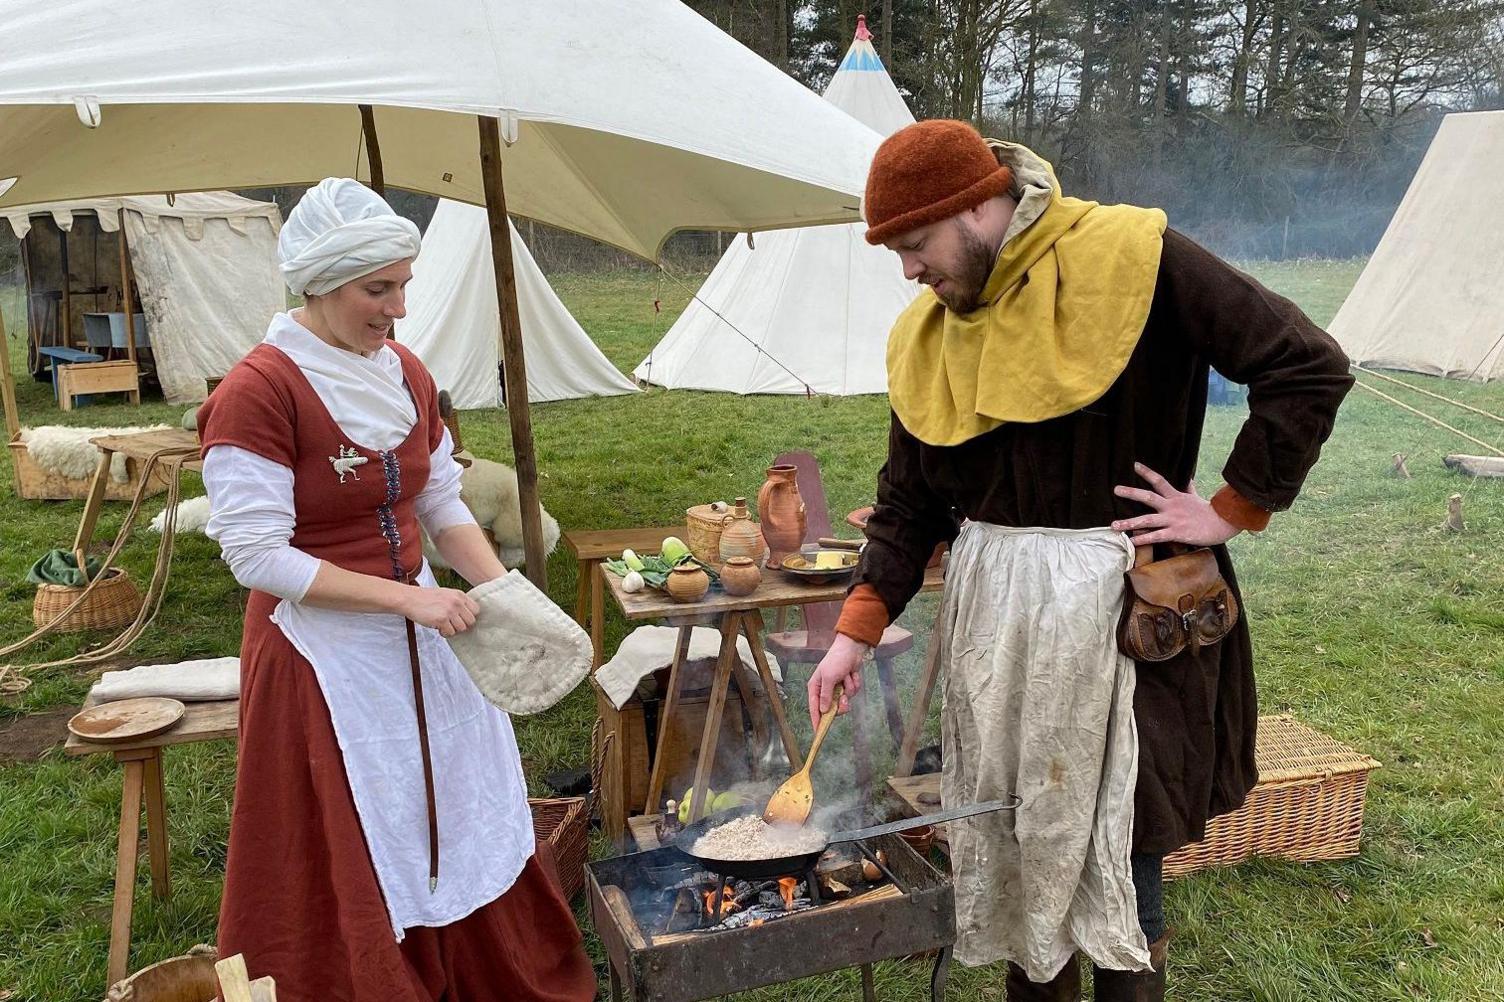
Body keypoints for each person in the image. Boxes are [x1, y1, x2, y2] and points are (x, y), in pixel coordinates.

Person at [807, 121, 1353, 1001]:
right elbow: (909, 500)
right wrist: (853, 635)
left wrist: (1229, 508)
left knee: (1119, 852)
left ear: (978, 209)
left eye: (916, 246)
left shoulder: (1134, 254)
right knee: (1024, 844)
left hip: (1122, 610)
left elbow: (1306, 365)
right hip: (1002, 626)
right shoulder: (932, 331)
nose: (908, 271)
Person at [198, 178, 596, 1002]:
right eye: (379, 289)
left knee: (453, 798)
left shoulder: (404, 374)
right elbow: (257, 556)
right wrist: (412, 599)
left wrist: (509, 594)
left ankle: (478, 969)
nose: (399, 308)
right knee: (358, 821)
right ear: (320, 286)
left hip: (427, 629)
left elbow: (439, 500)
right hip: (320, 652)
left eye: (404, 285)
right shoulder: (259, 391)